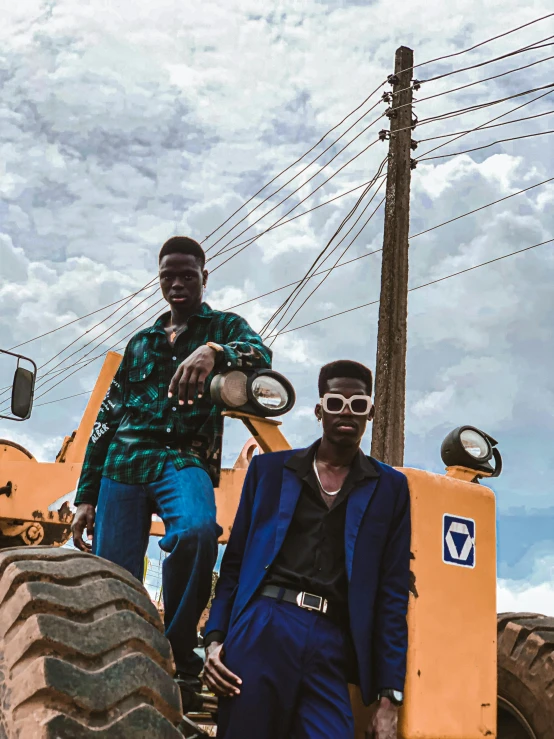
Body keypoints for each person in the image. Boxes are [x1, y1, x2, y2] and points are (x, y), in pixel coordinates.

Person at [71, 235, 272, 711]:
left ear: (205, 277)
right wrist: (86, 496)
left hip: (184, 457)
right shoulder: (140, 343)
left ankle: (181, 656)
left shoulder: (225, 327)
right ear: (159, 280)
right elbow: (106, 420)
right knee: (112, 573)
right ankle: (115, 664)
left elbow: (261, 356)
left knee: (199, 530)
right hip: (124, 461)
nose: (177, 284)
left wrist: (214, 352)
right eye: (168, 277)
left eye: (187, 275)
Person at [203, 360, 410, 739]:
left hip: (332, 639)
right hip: (265, 623)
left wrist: (389, 699)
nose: (346, 413)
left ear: (371, 414)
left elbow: (392, 593)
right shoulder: (269, 471)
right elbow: (233, 566)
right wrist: (215, 640)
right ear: (319, 411)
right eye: (335, 403)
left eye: (358, 405)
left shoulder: (391, 489)